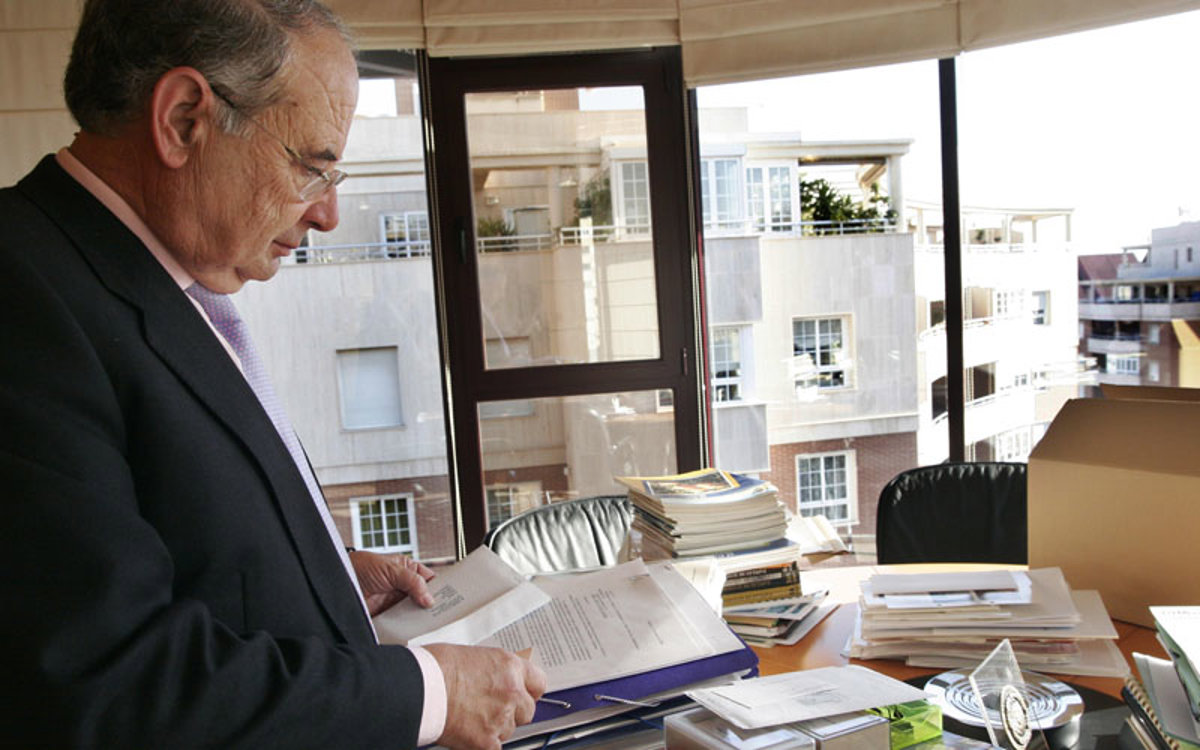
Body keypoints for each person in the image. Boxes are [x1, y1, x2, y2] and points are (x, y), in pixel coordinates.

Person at [0, 1, 545, 747]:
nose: (328, 214)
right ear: (184, 120)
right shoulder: (21, 295)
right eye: (311, 167)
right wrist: (432, 694)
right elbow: (108, 684)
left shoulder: (152, 278)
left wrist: (325, 577)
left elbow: (158, 540)